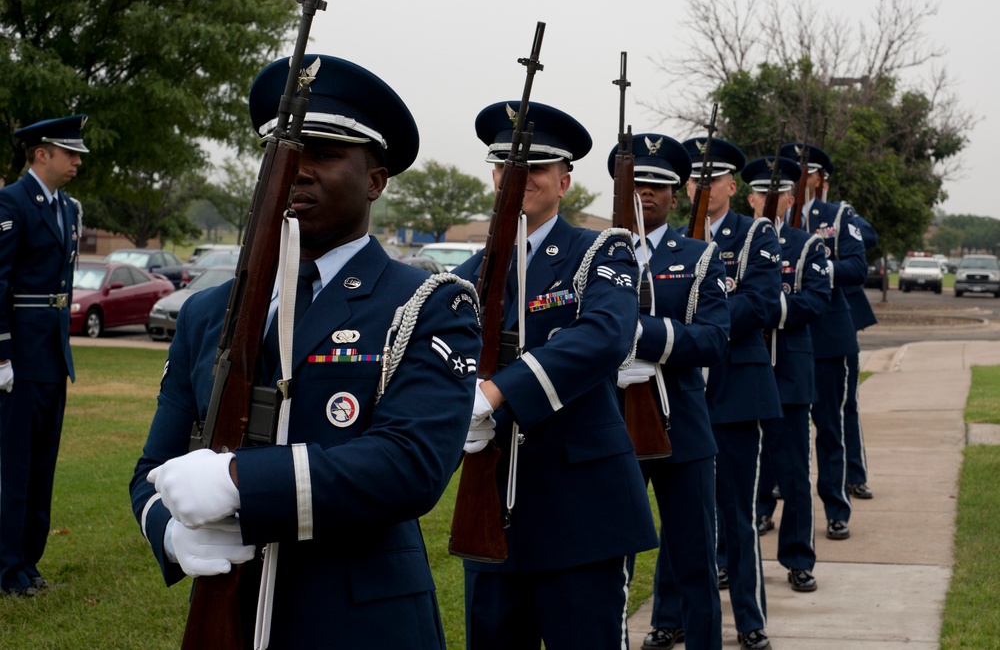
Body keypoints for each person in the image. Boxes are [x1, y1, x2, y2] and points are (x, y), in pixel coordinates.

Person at [129, 55, 482, 648]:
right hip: (229, 606)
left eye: (322, 154)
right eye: (282, 156)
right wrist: (170, 533)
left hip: (360, 618)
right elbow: (153, 470)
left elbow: (411, 465)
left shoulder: (426, 303)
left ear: (376, 181)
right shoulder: (208, 310)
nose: (296, 172)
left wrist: (240, 479)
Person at [452, 101, 657, 650]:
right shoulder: (466, 278)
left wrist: (496, 393)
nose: (516, 179)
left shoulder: (600, 251)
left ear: (564, 181)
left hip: (583, 511)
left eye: (535, 169)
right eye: (505, 166)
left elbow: (603, 337)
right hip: (491, 508)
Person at [610, 134, 730, 650]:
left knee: (695, 563)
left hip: (681, 430)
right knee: (609, 566)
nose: (646, 193)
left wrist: (644, 334)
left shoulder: (700, 256)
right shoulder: (597, 256)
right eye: (635, 184)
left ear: (676, 196)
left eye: (658, 185)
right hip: (611, 430)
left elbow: (713, 338)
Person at [674, 136, 782, 650]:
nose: (702, 187)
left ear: (731, 186)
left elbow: (760, 302)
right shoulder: (673, 241)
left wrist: (703, 316)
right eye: (694, 179)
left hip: (737, 388)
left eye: (712, 179)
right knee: (682, 516)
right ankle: (668, 617)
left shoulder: (755, 233)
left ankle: (749, 617)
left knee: (737, 513)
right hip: (680, 392)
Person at [0, 115, 85, 597]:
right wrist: (1, 356)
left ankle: (28, 563)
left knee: (41, 464)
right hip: (19, 360)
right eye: (69, 152)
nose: (77, 161)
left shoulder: (67, 209)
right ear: (41, 154)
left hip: (52, 354)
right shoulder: (11, 203)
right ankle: (7, 569)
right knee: (13, 466)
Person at [743, 156, 831, 593]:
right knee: (733, 470)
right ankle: (727, 558)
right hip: (739, 372)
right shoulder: (732, 243)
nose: (769, 200)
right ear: (751, 197)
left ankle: (798, 558)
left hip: (789, 372)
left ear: (791, 200)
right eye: (762, 193)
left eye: (779, 194)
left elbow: (816, 301)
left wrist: (762, 308)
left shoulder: (807, 245)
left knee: (794, 471)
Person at [780, 142, 868, 541]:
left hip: (828, 335)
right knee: (777, 430)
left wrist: (813, 266)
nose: (798, 181)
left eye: (804, 172)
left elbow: (856, 266)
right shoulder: (768, 222)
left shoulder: (836, 216)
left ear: (816, 178)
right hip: (783, 339)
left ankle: (836, 507)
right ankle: (765, 505)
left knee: (830, 427)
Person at [843, 214, 879, 500]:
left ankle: (855, 475)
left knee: (846, 406)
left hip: (838, 319)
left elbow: (868, 236)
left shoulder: (840, 214)